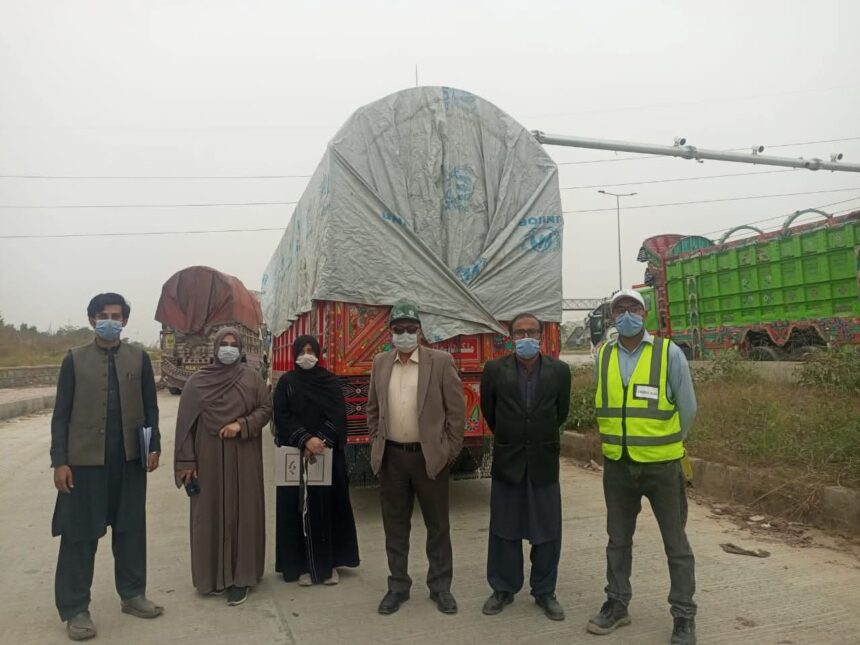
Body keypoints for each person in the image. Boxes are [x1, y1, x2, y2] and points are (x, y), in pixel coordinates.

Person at [587, 289, 698, 645]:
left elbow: (687, 408)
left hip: (662, 467)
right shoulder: (603, 354)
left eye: (633, 308)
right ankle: (617, 604)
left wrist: (667, 442)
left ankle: (683, 615)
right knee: (617, 541)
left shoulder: (669, 353)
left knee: (676, 543)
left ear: (645, 313)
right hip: (618, 467)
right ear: (611, 317)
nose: (626, 314)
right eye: (619, 309)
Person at [50, 292, 163, 641]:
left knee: (130, 530)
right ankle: (75, 608)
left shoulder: (138, 358)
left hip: (129, 460)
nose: (110, 321)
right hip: (85, 463)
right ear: (92, 320)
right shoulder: (74, 360)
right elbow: (61, 414)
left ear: (125, 321)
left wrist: (154, 445)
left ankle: (132, 594)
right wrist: (60, 461)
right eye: (103, 315)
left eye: (116, 316)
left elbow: (150, 406)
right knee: (79, 535)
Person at [366, 301, 466, 616]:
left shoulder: (441, 362)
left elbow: (456, 412)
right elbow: (373, 410)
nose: (405, 335)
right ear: (391, 332)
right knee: (395, 527)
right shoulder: (381, 363)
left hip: (429, 459)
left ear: (420, 331)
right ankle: (398, 586)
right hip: (393, 458)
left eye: (411, 329)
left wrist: (448, 452)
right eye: (399, 329)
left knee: (438, 526)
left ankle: (440, 587)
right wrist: (376, 442)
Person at [479, 313, 571, 621]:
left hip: (543, 460)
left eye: (532, 332)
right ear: (510, 337)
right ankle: (503, 588)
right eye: (520, 332)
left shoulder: (560, 371)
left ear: (541, 336)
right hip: (509, 459)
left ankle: (544, 591)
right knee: (504, 528)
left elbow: (560, 412)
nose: (526, 337)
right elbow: (490, 411)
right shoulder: (495, 370)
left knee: (547, 530)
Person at [174, 327, 272, 607]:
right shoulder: (197, 382)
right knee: (209, 514)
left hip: (244, 455)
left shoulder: (252, 379)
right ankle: (211, 576)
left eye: (233, 344)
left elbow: (266, 409)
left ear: (240, 349)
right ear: (215, 348)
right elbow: (185, 426)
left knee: (244, 513)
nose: (228, 348)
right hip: (208, 458)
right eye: (224, 344)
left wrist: (241, 425)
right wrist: (187, 462)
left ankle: (241, 578)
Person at [273, 335, 360, 586]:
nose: (306, 355)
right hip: (296, 453)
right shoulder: (287, 382)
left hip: (325, 453)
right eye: (302, 351)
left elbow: (338, 415)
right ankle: (300, 566)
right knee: (297, 508)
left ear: (318, 353)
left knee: (327, 506)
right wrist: (305, 440)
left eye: (311, 350)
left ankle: (328, 566)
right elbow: (281, 415)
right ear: (295, 354)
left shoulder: (329, 381)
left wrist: (319, 440)